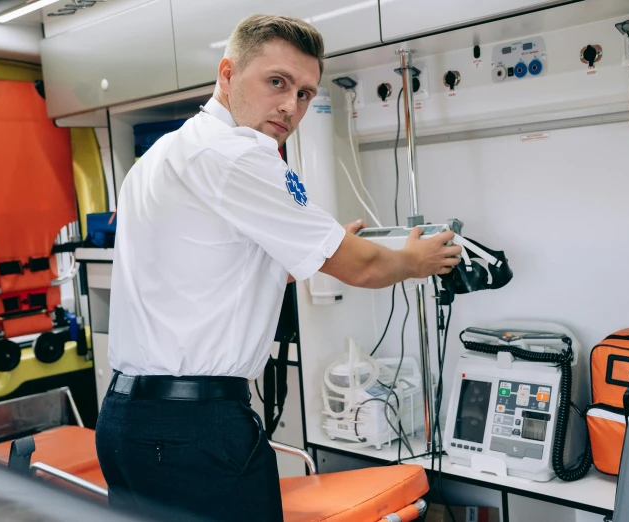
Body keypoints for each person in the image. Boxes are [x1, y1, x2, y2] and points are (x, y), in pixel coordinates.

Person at [94, 13, 461, 522]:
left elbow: (215, 272)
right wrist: (416, 260)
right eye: (276, 82)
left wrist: (314, 251)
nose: (291, 105)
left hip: (125, 424)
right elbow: (364, 269)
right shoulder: (240, 155)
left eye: (306, 93)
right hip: (194, 430)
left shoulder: (162, 155)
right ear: (227, 74)